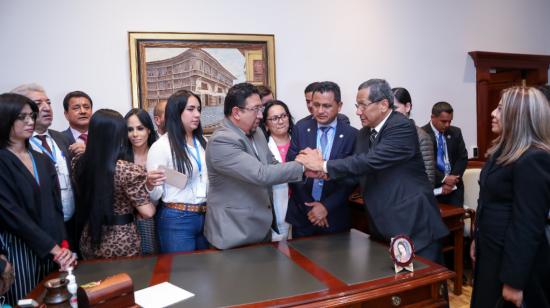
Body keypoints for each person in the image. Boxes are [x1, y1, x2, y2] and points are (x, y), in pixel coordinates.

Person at [296, 79, 448, 262]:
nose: (358, 111)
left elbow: (371, 161)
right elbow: (357, 171)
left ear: (384, 104)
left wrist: (323, 165)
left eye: (363, 105)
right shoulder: (364, 134)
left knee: (424, 286)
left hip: (414, 224)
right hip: (382, 226)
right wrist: (324, 174)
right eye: (357, 105)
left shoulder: (401, 126)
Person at [470, 86, 550, 308]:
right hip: (492, 252)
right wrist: (477, 238)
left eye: (500, 109)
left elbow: (528, 225)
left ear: (519, 116)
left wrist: (514, 281)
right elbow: (486, 199)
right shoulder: (502, 151)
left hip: (511, 261)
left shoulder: (533, 158)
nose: (493, 114)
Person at [204, 82, 305, 250]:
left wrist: (306, 167)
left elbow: (271, 164)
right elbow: (261, 174)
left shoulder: (256, 132)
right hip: (234, 232)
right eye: (256, 109)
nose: (261, 115)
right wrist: (303, 165)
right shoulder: (222, 141)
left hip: (260, 228)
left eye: (261, 109)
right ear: (236, 112)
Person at [0, 93, 75, 304]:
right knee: (28, 301)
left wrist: (63, 246)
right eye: (22, 117)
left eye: (31, 116)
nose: (30, 121)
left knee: (57, 301)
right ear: (5, 118)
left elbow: (56, 207)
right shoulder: (2, 160)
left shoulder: (42, 159)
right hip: (20, 249)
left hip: (53, 249)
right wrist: (54, 248)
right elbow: (11, 213)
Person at [73, 109, 155, 259]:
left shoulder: (78, 163)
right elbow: (147, 212)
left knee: (95, 282)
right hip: (122, 239)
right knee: (125, 281)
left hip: (89, 236)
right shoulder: (126, 169)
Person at [286, 81, 358, 238]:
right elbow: (292, 169)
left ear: (339, 106)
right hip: (303, 215)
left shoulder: (352, 135)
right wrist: (311, 209)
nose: (319, 110)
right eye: (316, 104)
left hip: (335, 216)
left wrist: (326, 206)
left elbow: (352, 178)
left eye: (326, 106)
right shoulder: (301, 128)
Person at [11, 84, 78, 250]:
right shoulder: (17, 146)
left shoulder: (62, 138)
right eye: (38, 104)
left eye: (48, 102)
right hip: (39, 233)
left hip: (72, 226)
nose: (46, 108)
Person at [146, 90, 210, 253]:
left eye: (198, 109)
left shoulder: (203, 142)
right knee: (182, 274)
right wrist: (150, 184)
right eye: (190, 109)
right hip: (177, 218)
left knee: (207, 271)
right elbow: (155, 195)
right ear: (176, 111)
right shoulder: (161, 146)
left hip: (206, 215)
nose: (197, 114)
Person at [124, 108, 159, 255]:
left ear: (149, 130)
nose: (135, 134)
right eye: (130, 129)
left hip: (157, 218)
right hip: (128, 224)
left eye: (140, 128)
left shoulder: (159, 153)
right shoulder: (121, 157)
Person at [422, 102, 468, 207]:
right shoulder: (422, 134)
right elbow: (424, 163)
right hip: (434, 189)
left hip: (454, 189)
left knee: (456, 221)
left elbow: (462, 158)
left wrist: (452, 180)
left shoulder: (456, 132)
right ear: (433, 117)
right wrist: (444, 179)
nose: (447, 125)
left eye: (449, 121)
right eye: (443, 121)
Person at [262, 100, 295, 241]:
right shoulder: (263, 148)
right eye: (274, 118)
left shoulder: (300, 142)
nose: (280, 121)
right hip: (277, 208)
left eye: (283, 116)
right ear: (266, 125)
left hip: (301, 208)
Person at [392, 87, 436, 186]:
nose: (390, 113)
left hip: (411, 197)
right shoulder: (386, 134)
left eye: (395, 108)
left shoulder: (422, 137)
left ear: (407, 107)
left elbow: (428, 179)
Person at [62, 90, 93, 157]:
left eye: (86, 107)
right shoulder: (59, 139)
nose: (83, 111)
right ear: (66, 114)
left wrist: (89, 152)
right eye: (76, 108)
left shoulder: (102, 137)